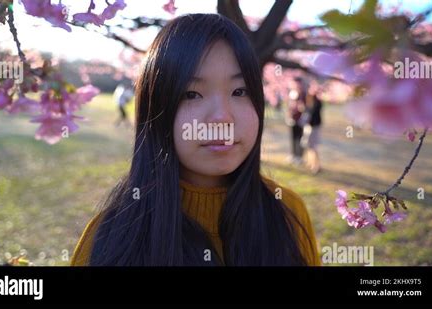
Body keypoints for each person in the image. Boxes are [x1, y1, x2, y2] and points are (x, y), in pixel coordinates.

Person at [70, 14, 320, 266]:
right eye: (192, 94)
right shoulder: (111, 236)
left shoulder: (287, 211)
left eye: (239, 91)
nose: (222, 117)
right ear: (155, 109)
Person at [302, 84, 323, 174]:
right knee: (310, 146)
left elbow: (312, 114)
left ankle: (315, 166)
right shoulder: (311, 101)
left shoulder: (316, 102)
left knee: (312, 147)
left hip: (313, 127)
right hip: (310, 127)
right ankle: (311, 163)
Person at [285, 77, 306, 165]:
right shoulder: (292, 93)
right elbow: (289, 106)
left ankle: (299, 157)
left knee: (300, 138)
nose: (296, 85)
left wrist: (302, 107)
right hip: (292, 119)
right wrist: (288, 115)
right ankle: (293, 155)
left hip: (301, 119)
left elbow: (306, 107)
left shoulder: (303, 94)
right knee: (293, 137)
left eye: (298, 83)